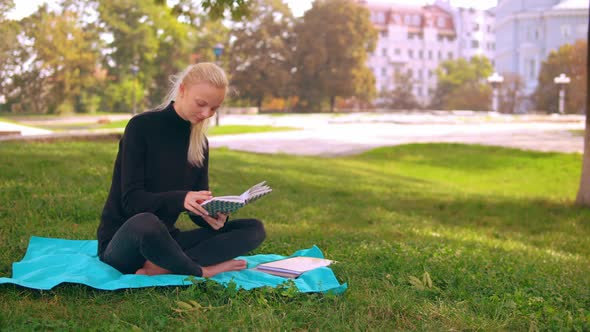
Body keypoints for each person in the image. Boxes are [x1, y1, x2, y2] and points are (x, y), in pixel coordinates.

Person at [96, 62, 266, 278]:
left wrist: (210, 215)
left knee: (253, 229)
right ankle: (200, 270)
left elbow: (196, 204)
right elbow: (132, 202)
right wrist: (181, 198)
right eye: (201, 104)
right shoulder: (141, 127)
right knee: (146, 222)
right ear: (183, 90)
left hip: (166, 241)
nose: (206, 114)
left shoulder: (200, 143)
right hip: (125, 243)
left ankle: (163, 266)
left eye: (214, 108)